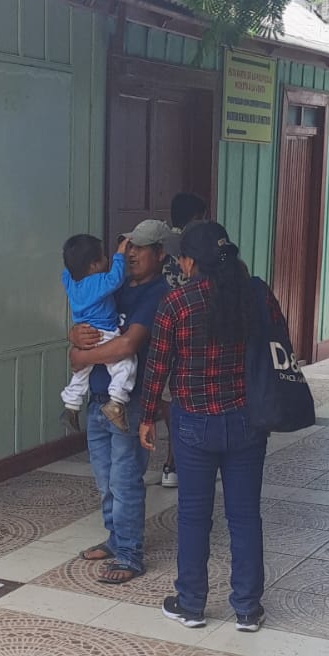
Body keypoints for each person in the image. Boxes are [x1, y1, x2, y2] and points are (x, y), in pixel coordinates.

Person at [139, 220, 288, 633]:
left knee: (193, 516)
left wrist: (147, 415)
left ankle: (190, 604)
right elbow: (280, 342)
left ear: (189, 262)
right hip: (247, 421)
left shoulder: (176, 302)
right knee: (245, 516)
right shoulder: (256, 293)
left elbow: (158, 366)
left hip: (193, 424)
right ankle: (247, 609)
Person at [68, 220, 169, 585]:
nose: (132, 254)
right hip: (98, 400)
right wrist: (73, 335)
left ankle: (129, 554)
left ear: (160, 254)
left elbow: (127, 345)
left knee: (125, 481)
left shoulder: (158, 294)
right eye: (129, 246)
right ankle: (115, 539)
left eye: (141, 248)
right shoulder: (115, 285)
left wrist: (81, 356)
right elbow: (85, 322)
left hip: (131, 403)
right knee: (104, 480)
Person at [153, 192, 207, 487]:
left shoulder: (160, 245)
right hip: (193, 330)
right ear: (196, 217)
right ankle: (179, 460)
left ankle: (172, 462)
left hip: (160, 327)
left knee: (167, 397)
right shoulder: (197, 245)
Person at [60, 234, 136, 434]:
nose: (106, 260)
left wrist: (72, 261)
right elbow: (116, 278)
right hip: (104, 333)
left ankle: (71, 405)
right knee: (125, 363)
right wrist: (120, 253)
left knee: (81, 373)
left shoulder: (70, 283)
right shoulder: (98, 282)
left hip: (85, 335)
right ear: (93, 266)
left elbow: (67, 271)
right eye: (102, 258)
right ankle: (116, 402)